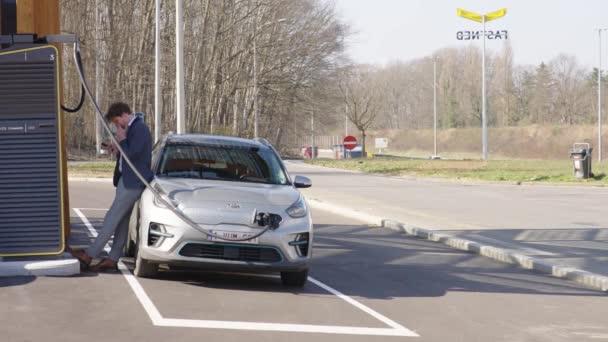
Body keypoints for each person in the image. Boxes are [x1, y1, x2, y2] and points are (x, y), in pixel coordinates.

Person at [71, 102, 154, 271]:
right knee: (122, 221)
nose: (117, 126)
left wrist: (122, 140)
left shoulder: (139, 128)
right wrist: (117, 148)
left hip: (133, 182)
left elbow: (132, 154)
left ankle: (89, 255)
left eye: (117, 122)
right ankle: (113, 258)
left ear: (124, 115)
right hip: (127, 179)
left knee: (111, 218)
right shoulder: (133, 129)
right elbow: (128, 153)